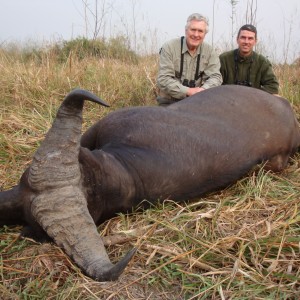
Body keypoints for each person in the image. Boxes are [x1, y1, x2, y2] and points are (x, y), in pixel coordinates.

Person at [156, 13, 222, 106]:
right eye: (193, 30)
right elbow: (163, 79)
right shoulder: (169, 47)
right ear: (186, 30)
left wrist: (203, 90)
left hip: (198, 101)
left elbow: (216, 77)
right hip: (169, 102)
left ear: (205, 34)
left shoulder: (210, 51)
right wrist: (188, 91)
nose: (196, 34)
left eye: (200, 31)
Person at [220, 24, 279, 95]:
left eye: (250, 38)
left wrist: (253, 94)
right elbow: (215, 82)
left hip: (252, 101)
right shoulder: (224, 59)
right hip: (228, 100)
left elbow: (273, 86)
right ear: (237, 39)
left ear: (255, 41)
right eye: (243, 37)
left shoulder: (262, 62)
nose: (246, 42)